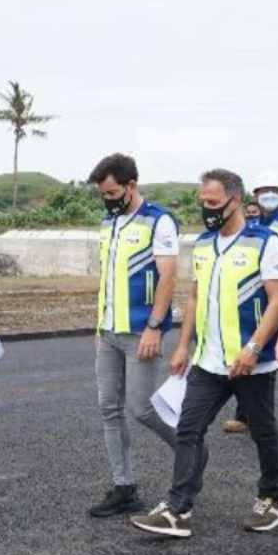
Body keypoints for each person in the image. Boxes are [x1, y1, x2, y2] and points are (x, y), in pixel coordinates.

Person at [131, 169, 278, 538]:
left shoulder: (266, 243)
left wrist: (253, 349)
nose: (207, 209)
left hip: (251, 363)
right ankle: (177, 508)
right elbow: (196, 297)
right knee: (188, 429)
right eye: (203, 202)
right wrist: (183, 345)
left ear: (236, 200)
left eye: (214, 203)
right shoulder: (203, 244)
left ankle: (271, 498)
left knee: (263, 433)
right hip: (208, 361)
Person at [87, 153, 180, 518]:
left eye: (112, 193)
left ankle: (189, 450)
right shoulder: (108, 224)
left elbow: (168, 277)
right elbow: (106, 281)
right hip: (109, 332)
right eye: (103, 195)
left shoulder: (159, 222)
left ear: (131, 186)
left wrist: (155, 327)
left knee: (141, 408)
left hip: (142, 331)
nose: (107, 200)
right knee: (109, 408)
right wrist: (99, 327)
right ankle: (124, 486)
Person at [223, 171, 278, 434]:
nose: (269, 195)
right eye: (264, 190)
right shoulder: (249, 226)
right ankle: (245, 415)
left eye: (275, 190)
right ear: (256, 195)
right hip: (250, 302)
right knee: (248, 353)